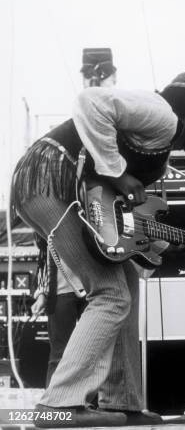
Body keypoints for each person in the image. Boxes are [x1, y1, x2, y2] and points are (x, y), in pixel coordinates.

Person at [12, 70, 185, 427]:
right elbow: (88, 101)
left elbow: (120, 215)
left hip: (52, 184)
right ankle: (58, 405)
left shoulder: (158, 139)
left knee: (126, 280)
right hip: (51, 180)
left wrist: (177, 243)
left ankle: (122, 402)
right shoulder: (162, 114)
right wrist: (119, 172)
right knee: (110, 294)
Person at [30, 47, 118, 388]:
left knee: (94, 353)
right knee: (60, 353)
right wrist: (42, 292)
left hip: (91, 281)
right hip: (63, 289)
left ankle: (88, 407)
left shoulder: (90, 198)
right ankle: (57, 411)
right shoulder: (53, 208)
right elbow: (45, 253)